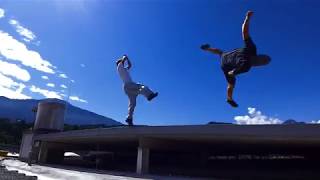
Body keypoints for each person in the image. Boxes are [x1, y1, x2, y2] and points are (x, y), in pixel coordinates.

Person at [201, 11, 271, 108]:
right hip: (225, 66)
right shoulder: (246, 67)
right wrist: (232, 72)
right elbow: (231, 73)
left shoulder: (252, 49)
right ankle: (229, 99)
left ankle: (207, 49)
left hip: (225, 55)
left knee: (219, 52)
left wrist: (247, 18)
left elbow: (244, 32)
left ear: (259, 55)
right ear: (258, 66)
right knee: (231, 85)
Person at [116, 55, 158, 126]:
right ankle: (149, 95)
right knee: (142, 87)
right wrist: (124, 57)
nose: (123, 64)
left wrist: (128, 59)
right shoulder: (119, 66)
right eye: (122, 63)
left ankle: (129, 118)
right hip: (129, 85)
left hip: (127, 88)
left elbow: (130, 65)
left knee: (132, 103)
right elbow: (123, 60)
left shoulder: (124, 69)